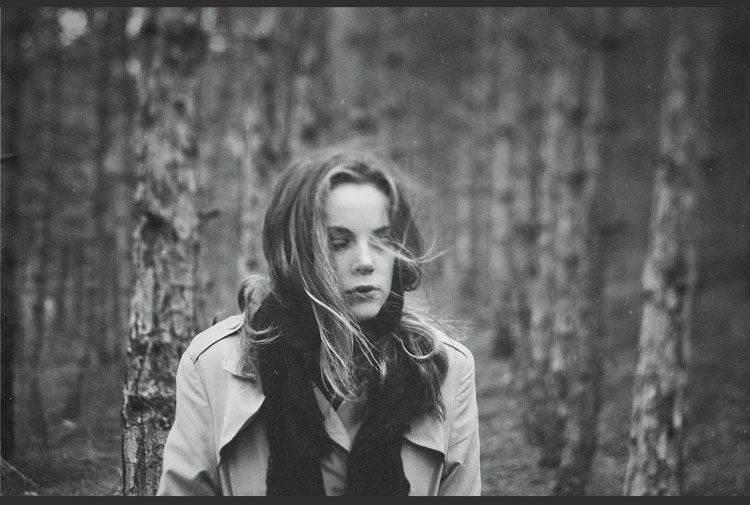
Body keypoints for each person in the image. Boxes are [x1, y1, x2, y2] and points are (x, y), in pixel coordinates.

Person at [157, 148, 481, 495]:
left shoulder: (446, 369)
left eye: (382, 240)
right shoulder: (214, 366)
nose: (366, 261)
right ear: (294, 253)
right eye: (338, 243)